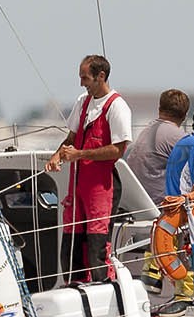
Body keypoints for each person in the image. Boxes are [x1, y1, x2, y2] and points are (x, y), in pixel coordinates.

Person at [45, 54, 132, 284]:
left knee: (97, 247)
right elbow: (72, 136)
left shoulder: (117, 106)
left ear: (100, 76)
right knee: (70, 247)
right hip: (77, 187)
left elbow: (118, 150)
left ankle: (105, 288)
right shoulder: (83, 102)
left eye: (85, 78)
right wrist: (57, 155)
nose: (82, 83)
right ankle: (76, 287)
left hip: (101, 188)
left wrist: (80, 154)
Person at [147, 99, 194, 306]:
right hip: (184, 209)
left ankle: (182, 291)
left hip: (173, 205)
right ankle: (188, 296)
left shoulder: (188, 140)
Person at [127, 89, 189, 205]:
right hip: (160, 205)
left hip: (136, 203)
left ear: (159, 110)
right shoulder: (177, 137)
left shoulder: (148, 129)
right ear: (184, 116)